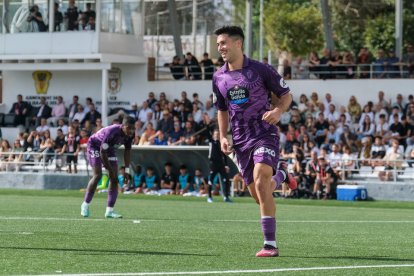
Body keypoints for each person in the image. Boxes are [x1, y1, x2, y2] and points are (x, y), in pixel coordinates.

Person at [212, 26, 297, 258]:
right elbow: (221, 109)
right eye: (218, 44)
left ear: (238, 44)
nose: (220, 48)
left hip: (263, 134)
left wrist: (278, 111)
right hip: (240, 142)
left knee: (261, 183)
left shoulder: (261, 69)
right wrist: (222, 136)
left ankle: (270, 245)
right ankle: (281, 174)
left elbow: (287, 95)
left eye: (223, 43)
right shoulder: (218, 76)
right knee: (260, 195)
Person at [80, 116, 135, 218]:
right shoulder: (112, 132)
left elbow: (127, 152)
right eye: (129, 128)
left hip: (109, 149)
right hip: (95, 146)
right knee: (98, 175)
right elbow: (102, 152)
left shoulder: (130, 135)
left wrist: (127, 171)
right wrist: (109, 168)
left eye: (133, 128)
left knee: (114, 179)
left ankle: (109, 211)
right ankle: (85, 205)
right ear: (123, 126)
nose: (131, 131)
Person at [207, 129, 231, 203]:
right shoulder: (211, 141)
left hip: (221, 164)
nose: (217, 135)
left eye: (218, 134)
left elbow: (224, 155)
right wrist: (207, 124)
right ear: (213, 135)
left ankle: (226, 197)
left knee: (226, 180)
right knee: (210, 181)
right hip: (213, 164)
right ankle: (209, 197)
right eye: (215, 134)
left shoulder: (221, 143)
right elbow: (207, 131)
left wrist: (226, 165)